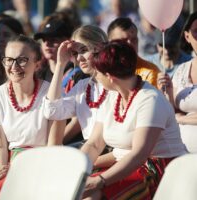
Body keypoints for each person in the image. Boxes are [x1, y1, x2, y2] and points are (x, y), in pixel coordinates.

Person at [80, 40, 187, 200]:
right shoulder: (112, 96)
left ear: (109, 77)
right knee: (73, 188)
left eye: (97, 73)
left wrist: (99, 181)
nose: (96, 77)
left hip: (158, 169)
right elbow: (94, 143)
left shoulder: (150, 100)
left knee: (91, 195)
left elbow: (139, 154)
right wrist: (77, 170)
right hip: (125, 164)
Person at [0, 35, 63, 199]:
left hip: (43, 163)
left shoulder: (51, 93)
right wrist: (3, 168)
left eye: (22, 60)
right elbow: (0, 144)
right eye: (9, 60)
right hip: (11, 162)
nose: (14, 66)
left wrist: (22, 168)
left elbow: (53, 146)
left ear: (37, 63)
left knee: (8, 189)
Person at [43, 25, 108, 145]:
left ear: (99, 47)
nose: (79, 58)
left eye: (83, 50)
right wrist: (60, 65)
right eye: (74, 53)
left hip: (113, 153)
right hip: (91, 151)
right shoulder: (83, 87)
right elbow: (52, 111)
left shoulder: (115, 83)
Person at [158, 12, 197, 153]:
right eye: (196, 32)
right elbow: (171, 113)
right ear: (187, 36)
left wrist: (182, 119)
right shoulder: (182, 70)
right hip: (180, 153)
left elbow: (177, 118)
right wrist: (166, 92)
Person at [107, 17, 160, 87]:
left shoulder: (150, 72)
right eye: (123, 40)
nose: (130, 44)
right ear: (110, 43)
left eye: (134, 39)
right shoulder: (103, 71)